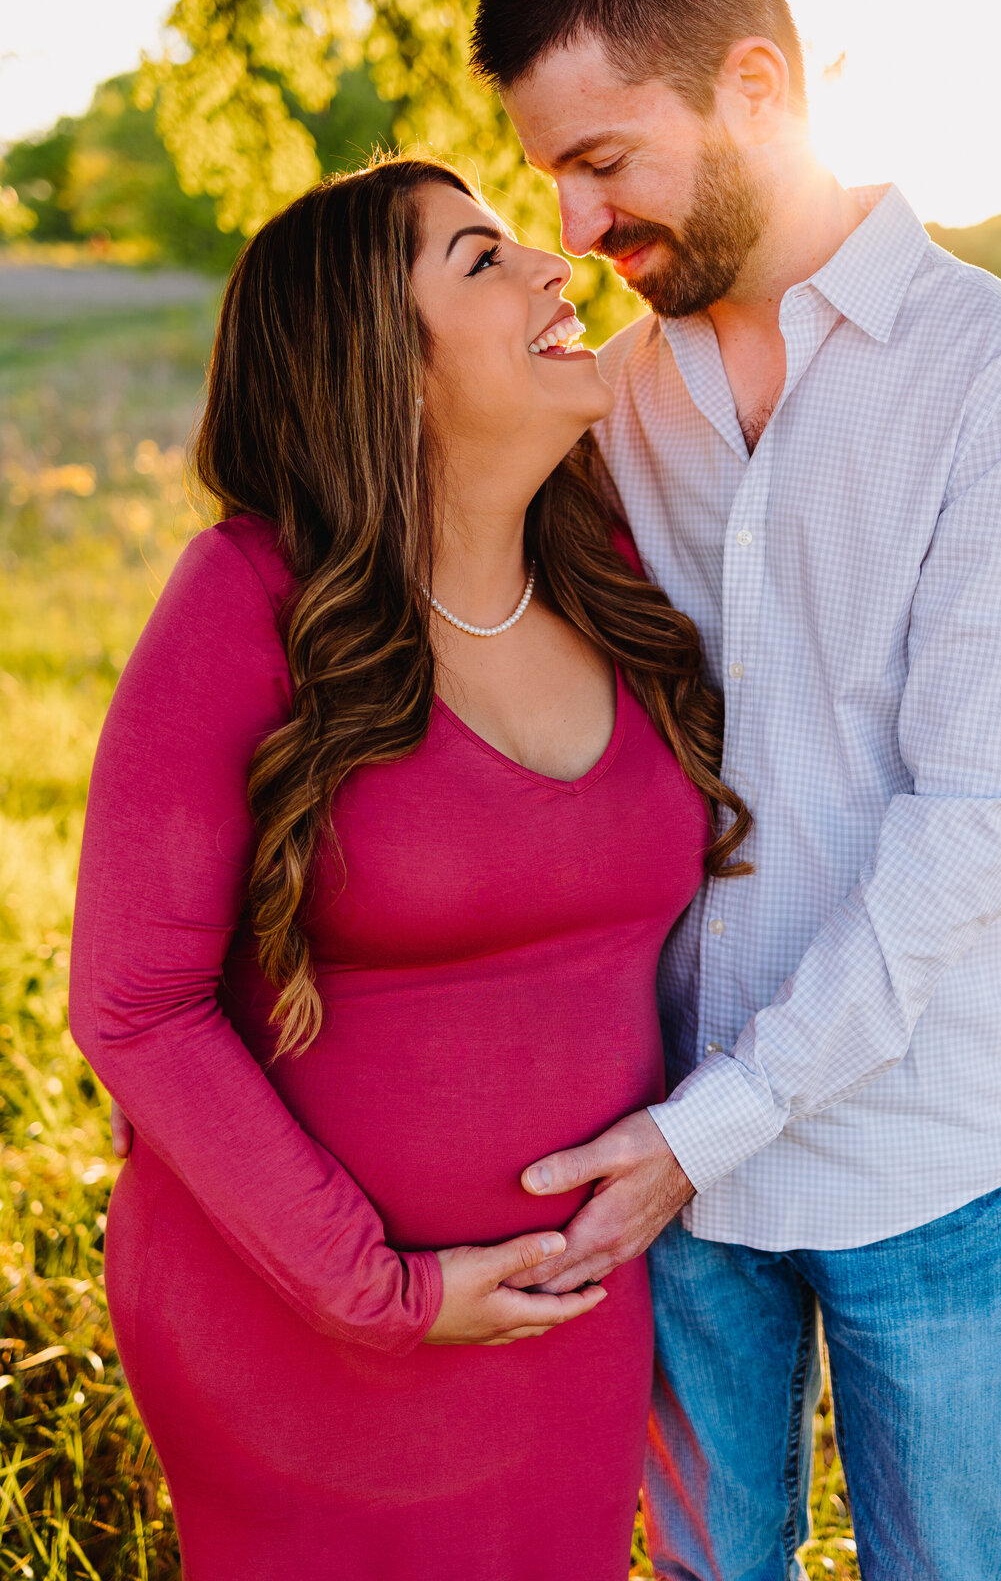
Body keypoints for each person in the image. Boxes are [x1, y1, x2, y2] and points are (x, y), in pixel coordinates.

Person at [470, 0, 1001, 1580]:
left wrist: (703, 1134)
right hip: (663, 1155)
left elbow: (972, 829)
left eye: (603, 160)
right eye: (551, 177)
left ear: (755, 88)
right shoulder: (609, 398)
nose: (576, 225)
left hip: (921, 1153)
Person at [71, 155, 751, 1581]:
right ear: (384, 363)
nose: (556, 268)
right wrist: (383, 1290)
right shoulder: (253, 596)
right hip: (300, 1340)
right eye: (483, 260)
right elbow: (136, 1005)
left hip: (572, 1327)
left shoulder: (613, 576)